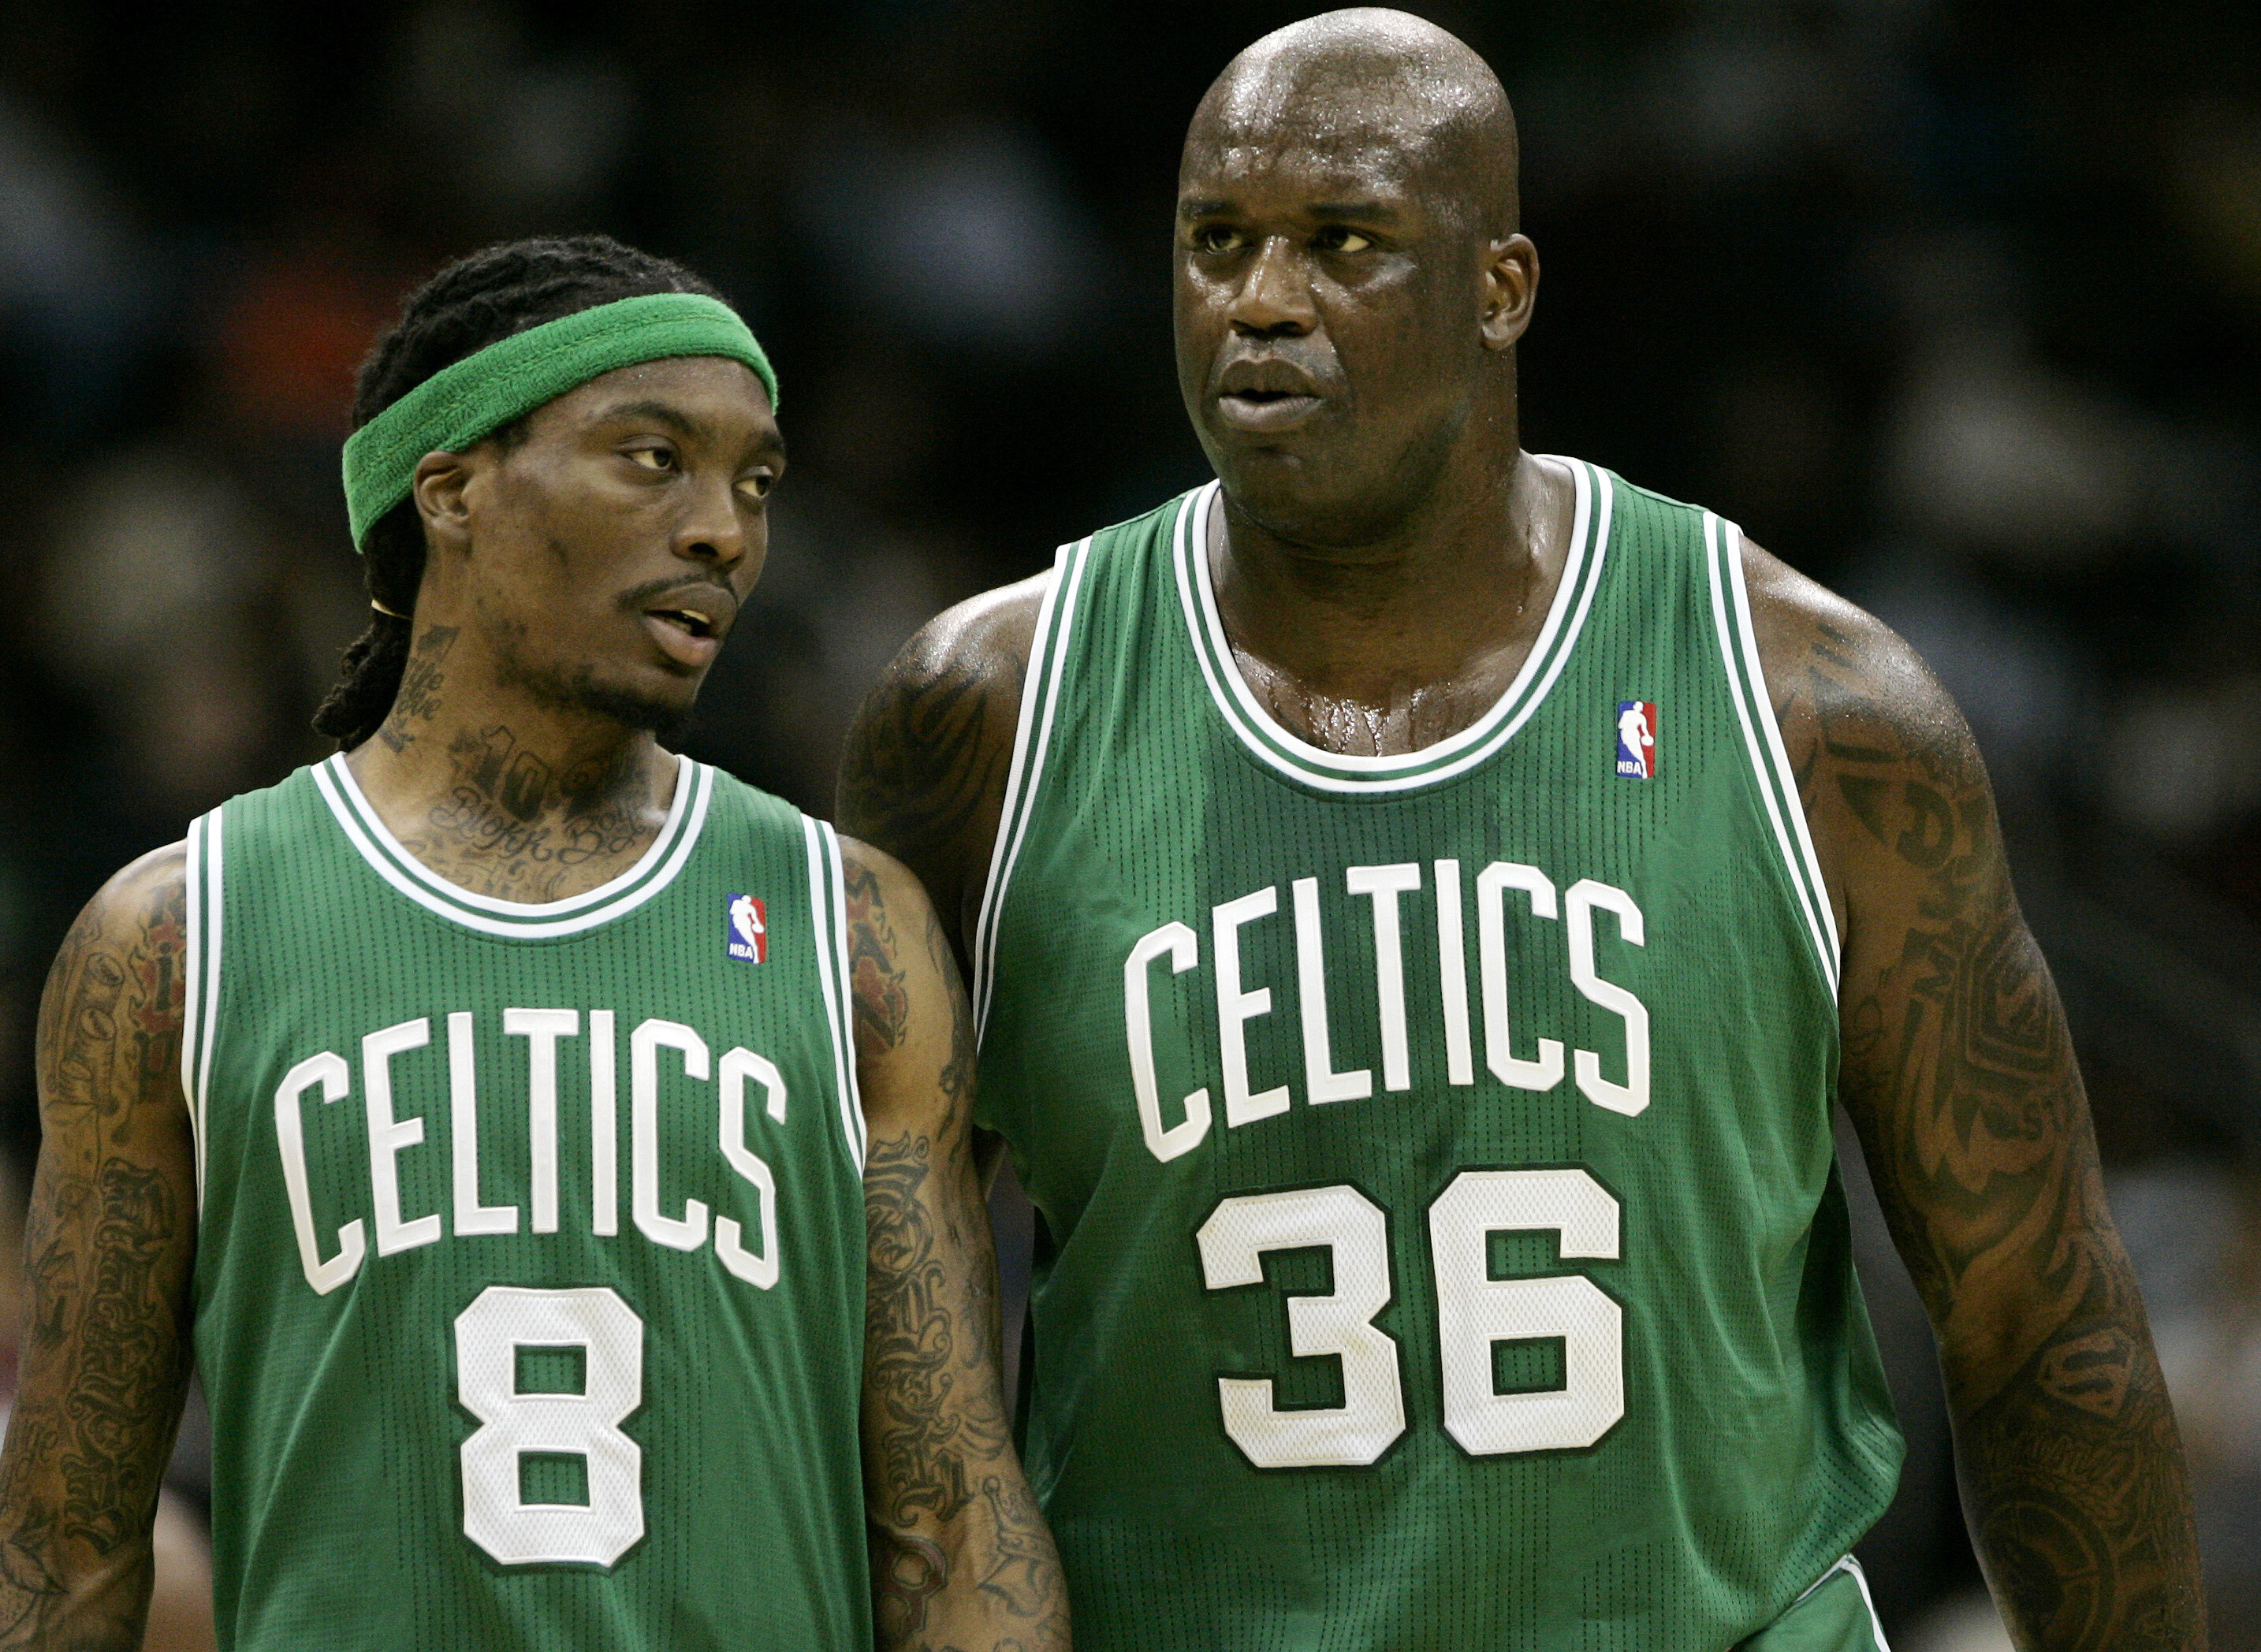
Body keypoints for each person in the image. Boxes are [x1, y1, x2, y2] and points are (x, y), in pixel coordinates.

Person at [838, 13, 2205, 1650]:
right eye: (1215, 243)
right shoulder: (984, 721)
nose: (1259, 298)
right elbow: (866, 1359)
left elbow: (2035, 1320)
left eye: (1343, 243)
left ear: (1502, 289)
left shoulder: (1817, 710)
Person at [1, 234, 1066, 1652]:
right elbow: (69, 1551)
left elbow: (954, 1526)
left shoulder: (853, 931)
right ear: (450, 487)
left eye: (756, 483)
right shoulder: (174, 939)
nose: (723, 531)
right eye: (653, 458)